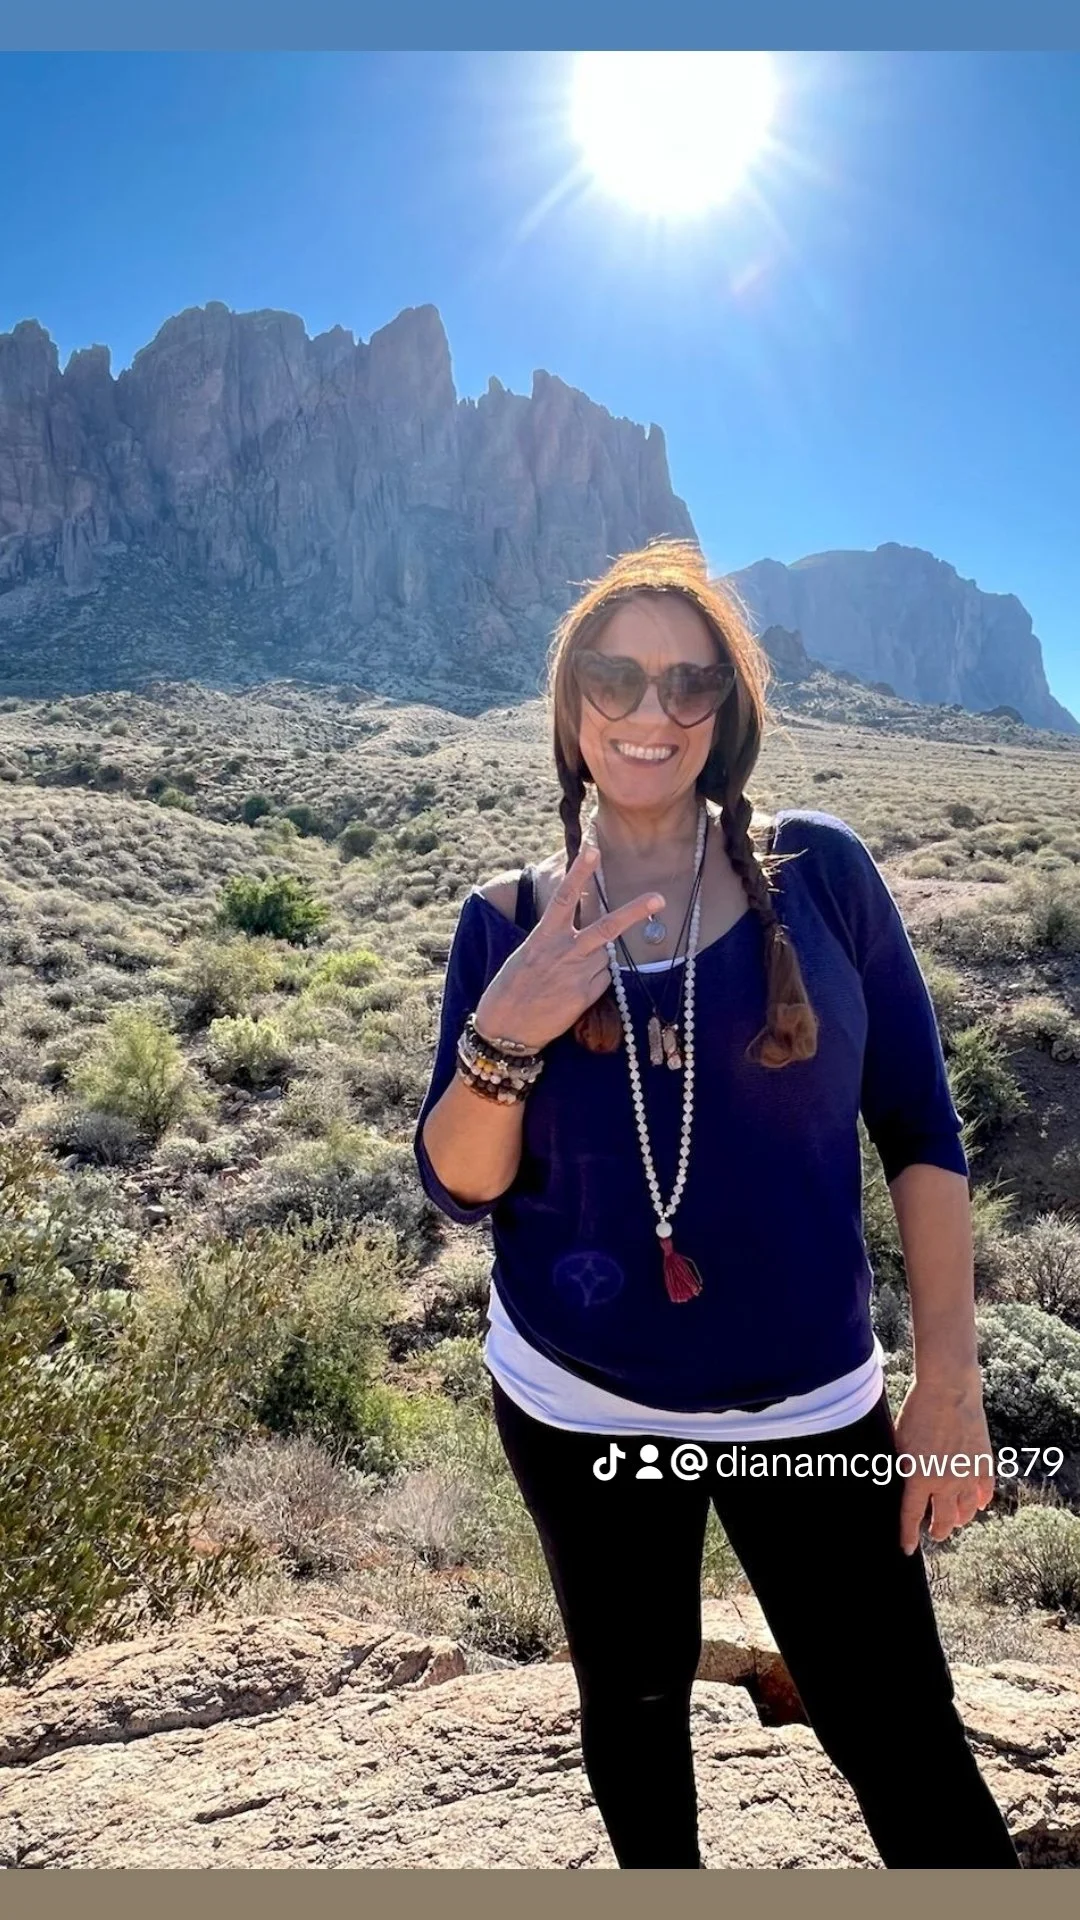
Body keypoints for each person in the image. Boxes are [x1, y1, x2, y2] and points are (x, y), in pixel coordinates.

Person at [413, 540, 1021, 1870]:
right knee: (632, 1713)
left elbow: (919, 1127)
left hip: (809, 1407)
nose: (650, 713)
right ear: (571, 707)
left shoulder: (823, 876)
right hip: (577, 1406)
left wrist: (950, 1383)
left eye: (689, 685)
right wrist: (505, 1033)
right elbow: (461, 1182)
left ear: (727, 715)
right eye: (616, 678)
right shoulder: (506, 918)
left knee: (902, 1736)